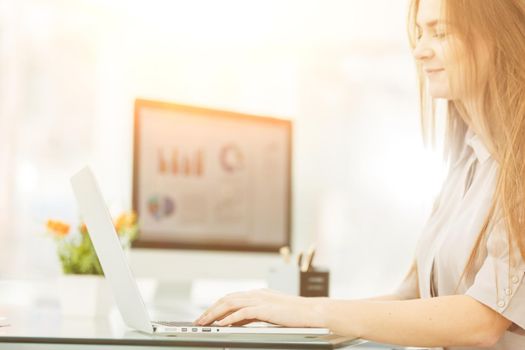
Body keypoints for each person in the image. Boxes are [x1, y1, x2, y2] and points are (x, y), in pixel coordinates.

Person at [194, 0, 525, 348]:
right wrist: (289, 314)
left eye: (440, 33)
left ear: (496, 38)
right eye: (420, 33)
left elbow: (482, 321)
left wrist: (314, 312)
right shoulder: (468, 162)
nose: (420, 50)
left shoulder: (517, 166)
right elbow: (411, 300)